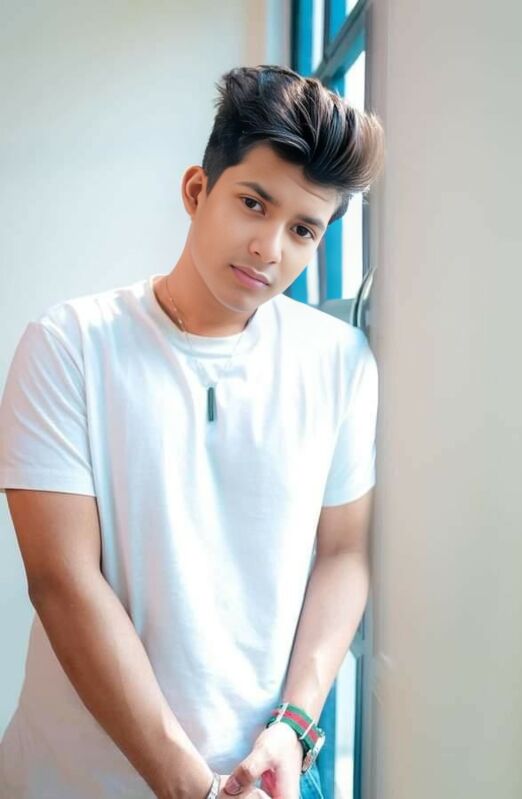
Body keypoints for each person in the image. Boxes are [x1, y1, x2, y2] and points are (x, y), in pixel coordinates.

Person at [0, 64, 384, 799]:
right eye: (253, 203)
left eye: (303, 229)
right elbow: (62, 581)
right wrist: (190, 788)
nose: (270, 247)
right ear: (197, 191)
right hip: (72, 780)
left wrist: (294, 725)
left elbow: (343, 553)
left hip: (262, 774)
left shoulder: (340, 362)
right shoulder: (67, 344)